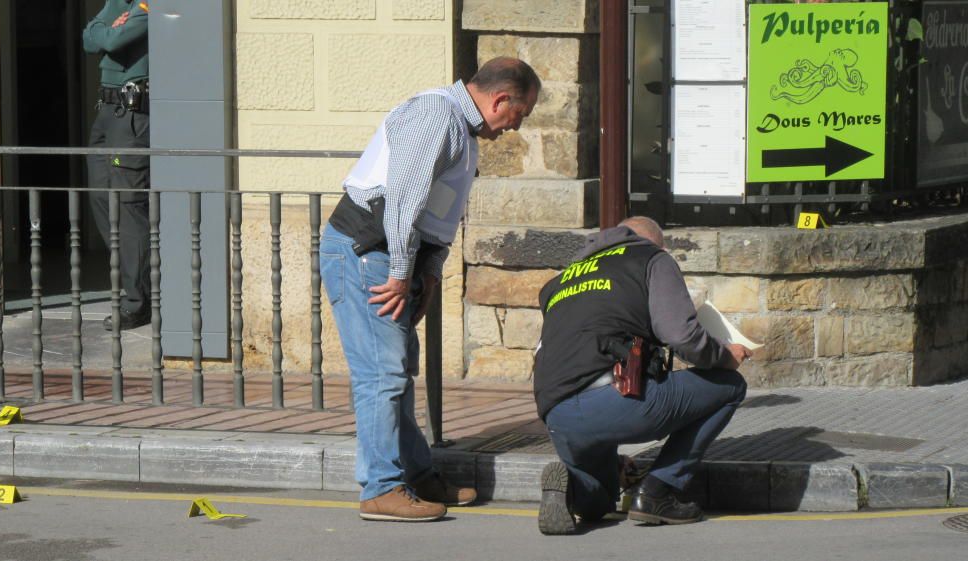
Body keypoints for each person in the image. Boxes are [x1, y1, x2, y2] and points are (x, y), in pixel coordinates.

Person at [320, 57, 541, 522]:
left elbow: (436, 213)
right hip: (367, 249)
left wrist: (429, 272)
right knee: (384, 374)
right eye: (517, 117)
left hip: (385, 253)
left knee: (395, 372)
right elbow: (404, 199)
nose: (513, 128)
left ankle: (416, 476)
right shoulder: (437, 115)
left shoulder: (458, 127)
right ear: (500, 100)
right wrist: (402, 274)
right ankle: (381, 489)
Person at [532, 216, 752, 535]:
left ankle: (568, 490)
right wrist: (723, 355)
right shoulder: (651, 258)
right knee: (730, 386)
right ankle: (658, 492)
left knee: (599, 503)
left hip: (557, 413)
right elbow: (680, 335)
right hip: (615, 400)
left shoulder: (562, 280)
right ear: (653, 242)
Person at [83, 0, 151, 331]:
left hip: (132, 116)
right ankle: (132, 284)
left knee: (127, 207)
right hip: (106, 112)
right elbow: (87, 38)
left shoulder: (148, 5)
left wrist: (108, 31)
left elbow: (110, 42)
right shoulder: (116, 4)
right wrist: (109, 27)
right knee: (100, 197)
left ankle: (138, 302)